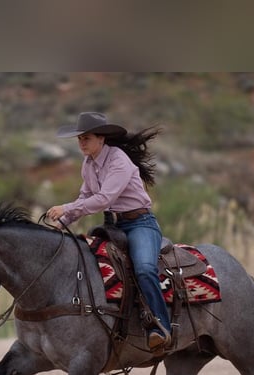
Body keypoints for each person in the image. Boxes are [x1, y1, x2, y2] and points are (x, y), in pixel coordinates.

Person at [47, 111, 171, 351]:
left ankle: (161, 326)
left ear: (101, 138)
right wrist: (62, 224)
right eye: (79, 139)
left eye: (87, 138)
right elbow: (85, 197)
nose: (82, 143)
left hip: (140, 224)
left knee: (144, 269)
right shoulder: (89, 163)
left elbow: (103, 199)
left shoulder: (118, 161)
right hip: (112, 226)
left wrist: (65, 207)